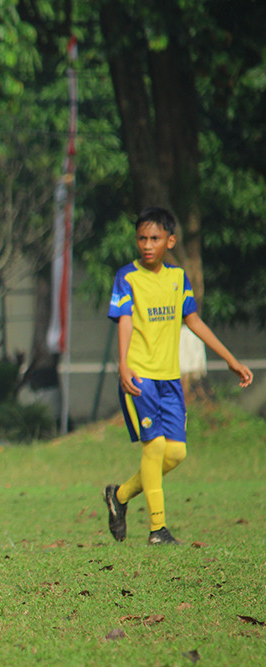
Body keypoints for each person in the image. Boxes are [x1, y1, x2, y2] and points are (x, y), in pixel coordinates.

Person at [104, 206, 253, 545]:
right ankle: (158, 530)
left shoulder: (177, 279)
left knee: (176, 454)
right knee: (154, 446)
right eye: (142, 238)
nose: (147, 244)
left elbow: (194, 321)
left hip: (169, 380)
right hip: (139, 377)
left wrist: (230, 359)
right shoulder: (127, 277)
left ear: (169, 241)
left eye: (155, 238)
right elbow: (125, 321)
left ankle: (121, 496)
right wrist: (123, 365)